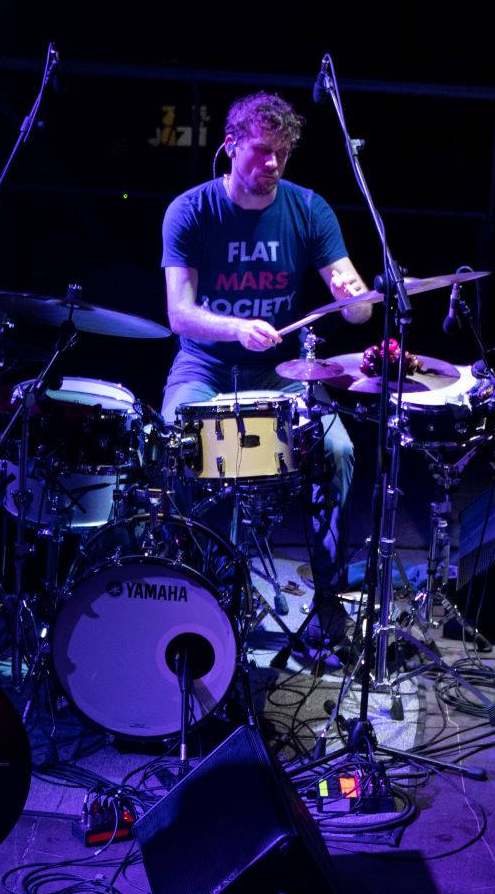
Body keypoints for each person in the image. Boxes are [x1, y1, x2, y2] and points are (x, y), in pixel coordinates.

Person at [160, 91, 374, 653]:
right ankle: (199, 599)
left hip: (281, 375)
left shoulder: (309, 210)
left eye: (281, 153)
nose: (272, 164)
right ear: (231, 146)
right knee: (175, 442)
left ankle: (329, 605)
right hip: (204, 367)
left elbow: (353, 301)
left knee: (339, 451)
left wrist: (356, 299)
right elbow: (178, 312)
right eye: (261, 151)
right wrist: (234, 329)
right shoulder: (190, 210)